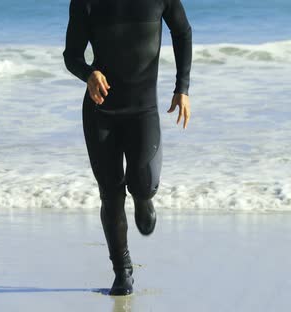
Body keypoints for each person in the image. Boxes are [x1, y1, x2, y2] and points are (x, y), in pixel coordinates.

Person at [62, 0, 192, 296]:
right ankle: (123, 271)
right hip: (100, 111)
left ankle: (144, 197)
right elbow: (71, 56)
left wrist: (182, 88)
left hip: (142, 110)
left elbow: (183, 31)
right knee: (110, 193)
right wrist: (88, 74)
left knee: (142, 184)